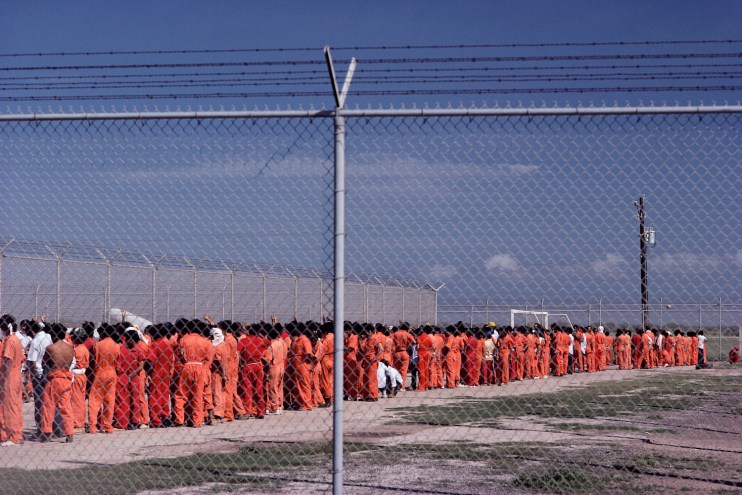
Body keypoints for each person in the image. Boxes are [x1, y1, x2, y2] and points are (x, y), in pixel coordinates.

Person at [39, 323, 75, 443]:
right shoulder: (70, 348)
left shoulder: (50, 348)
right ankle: (69, 434)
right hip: (66, 379)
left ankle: (47, 432)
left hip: (54, 379)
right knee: (66, 407)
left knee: (48, 406)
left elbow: (46, 362)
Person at [88, 323, 119, 434]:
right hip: (112, 372)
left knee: (95, 399)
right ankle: (108, 425)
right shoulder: (116, 345)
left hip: (100, 371)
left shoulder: (98, 345)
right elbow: (117, 362)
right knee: (110, 400)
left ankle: (93, 426)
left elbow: (95, 361)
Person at [144, 323, 174, 428]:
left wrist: (147, 372)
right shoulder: (168, 344)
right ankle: (165, 415)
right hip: (166, 372)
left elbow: (150, 361)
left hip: (156, 372)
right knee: (164, 395)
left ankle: (156, 420)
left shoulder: (155, 345)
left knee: (154, 396)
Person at [1, 315, 24, 446]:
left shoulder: (9, 341)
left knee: (9, 407)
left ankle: (13, 436)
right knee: (16, 406)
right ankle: (17, 434)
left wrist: (3, 375)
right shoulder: (16, 339)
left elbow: (8, 360)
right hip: (17, 374)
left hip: (10, 376)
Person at [70, 329, 90, 430]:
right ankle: (80, 420)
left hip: (76, 375)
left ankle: (76, 422)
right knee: (81, 399)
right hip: (82, 375)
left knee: (76, 399)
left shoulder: (76, 350)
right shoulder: (84, 348)